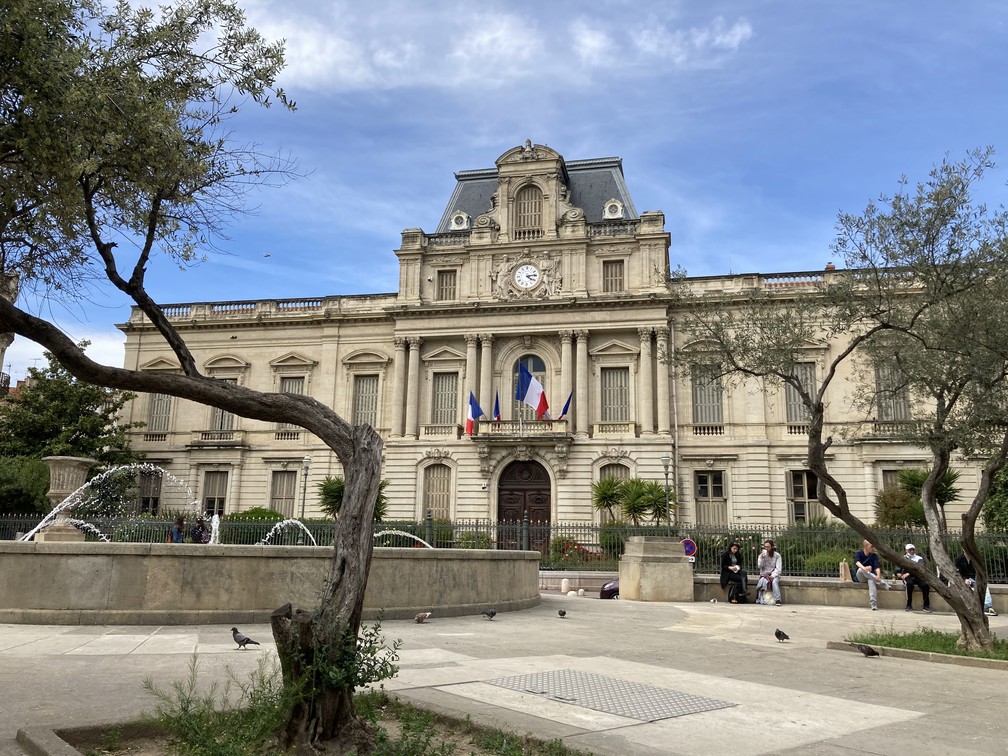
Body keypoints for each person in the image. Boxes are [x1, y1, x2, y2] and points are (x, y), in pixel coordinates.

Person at [955, 551, 997, 616]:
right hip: (965, 579)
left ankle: (987, 607)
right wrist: (965, 579)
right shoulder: (959, 559)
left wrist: (979, 579)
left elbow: (979, 570)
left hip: (975, 578)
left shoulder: (975, 558)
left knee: (985, 588)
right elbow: (959, 572)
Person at [853, 540, 890, 610]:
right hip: (860, 576)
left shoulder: (874, 556)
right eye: (871, 546)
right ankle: (882, 582)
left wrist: (878, 576)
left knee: (871, 581)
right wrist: (865, 568)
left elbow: (877, 567)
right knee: (860, 570)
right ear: (866, 546)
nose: (873, 548)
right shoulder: (859, 553)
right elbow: (857, 562)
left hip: (871, 577)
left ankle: (873, 604)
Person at [895, 543, 932, 613]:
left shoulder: (919, 558)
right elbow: (898, 569)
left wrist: (908, 573)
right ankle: (908, 605)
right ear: (906, 550)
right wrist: (899, 574)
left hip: (917, 576)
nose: (911, 551)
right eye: (910, 550)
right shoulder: (902, 558)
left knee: (925, 585)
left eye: (913, 550)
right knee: (909, 584)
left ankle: (926, 606)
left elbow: (919, 568)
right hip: (908, 577)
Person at [755, 539, 783, 606]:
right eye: (765, 547)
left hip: (774, 574)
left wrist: (773, 575)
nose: (766, 548)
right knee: (762, 583)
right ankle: (761, 598)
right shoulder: (761, 555)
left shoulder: (777, 555)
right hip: (764, 574)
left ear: (772, 547)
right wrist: (761, 558)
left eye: (768, 547)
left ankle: (777, 599)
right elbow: (759, 566)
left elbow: (778, 569)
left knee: (774, 582)